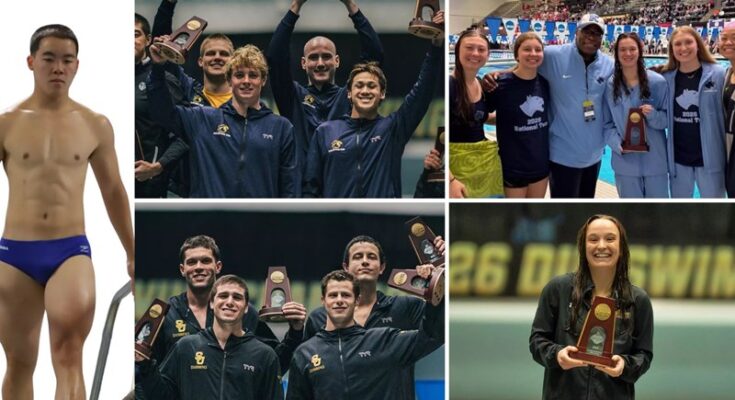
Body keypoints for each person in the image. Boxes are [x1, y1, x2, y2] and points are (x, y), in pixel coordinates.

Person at [0, 24, 134, 399]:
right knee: (19, 361)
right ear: (31, 62)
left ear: (77, 65)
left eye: (67, 60)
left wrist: (133, 251)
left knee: (69, 356)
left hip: (69, 253)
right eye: (49, 58)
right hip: (14, 254)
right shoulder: (6, 124)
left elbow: (113, 190)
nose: (58, 67)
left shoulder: (95, 125)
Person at [303, 11, 444, 198]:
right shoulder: (325, 132)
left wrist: (436, 45)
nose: (365, 91)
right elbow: (311, 189)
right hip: (338, 216)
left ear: (382, 93)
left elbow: (422, 92)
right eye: (359, 85)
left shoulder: (392, 129)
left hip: (383, 215)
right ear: (349, 93)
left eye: (372, 86)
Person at [484, 14, 614, 198]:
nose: (591, 37)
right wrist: (499, 74)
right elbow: (528, 63)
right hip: (562, 155)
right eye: (586, 31)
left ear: (602, 38)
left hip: (594, 155)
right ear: (576, 32)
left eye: (596, 33)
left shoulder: (609, 64)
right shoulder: (553, 55)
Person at [148, 40, 299, 197]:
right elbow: (162, 113)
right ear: (229, 80)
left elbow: (289, 186)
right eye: (239, 75)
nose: (246, 81)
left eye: (253, 75)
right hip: (210, 213)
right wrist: (158, 68)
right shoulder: (203, 119)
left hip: (260, 213)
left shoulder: (281, 128)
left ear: (263, 80)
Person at [302, 234, 445, 400]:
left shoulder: (406, 307)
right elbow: (307, 372)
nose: (365, 261)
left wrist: (439, 280)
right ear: (346, 267)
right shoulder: (319, 318)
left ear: (382, 267)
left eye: (371, 257)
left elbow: (437, 333)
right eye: (358, 257)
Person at [529, 215, 653, 400]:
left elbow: (644, 355)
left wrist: (624, 365)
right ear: (583, 247)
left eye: (610, 239)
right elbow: (537, 341)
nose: (601, 246)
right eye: (593, 239)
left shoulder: (638, 300)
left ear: (621, 248)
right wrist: (557, 355)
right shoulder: (558, 289)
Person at [267, 0, 384, 172]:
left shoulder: (349, 97)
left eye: (326, 57)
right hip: (303, 186)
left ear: (337, 61)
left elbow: (375, 56)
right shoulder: (292, 98)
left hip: (341, 184)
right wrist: (296, 6)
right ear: (304, 63)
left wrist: (350, 5)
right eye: (313, 57)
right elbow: (275, 58)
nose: (320, 63)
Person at [137, 275, 283, 400]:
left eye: (237, 297)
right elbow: (162, 396)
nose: (229, 302)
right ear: (212, 303)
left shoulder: (264, 355)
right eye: (223, 296)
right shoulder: (185, 347)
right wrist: (145, 364)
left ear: (246, 308)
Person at [660, 26, 726, 198]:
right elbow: (663, 116)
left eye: (688, 42)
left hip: (711, 159)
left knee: (714, 209)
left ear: (698, 44)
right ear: (672, 49)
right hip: (678, 159)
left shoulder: (718, 74)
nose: (683, 48)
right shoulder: (666, 78)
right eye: (677, 44)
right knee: (680, 208)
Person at [602, 33, 669, 198]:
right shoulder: (610, 86)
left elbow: (667, 120)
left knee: (658, 210)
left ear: (640, 51)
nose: (628, 53)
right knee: (631, 210)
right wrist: (618, 144)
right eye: (623, 49)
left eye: (632, 49)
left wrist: (653, 115)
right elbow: (606, 124)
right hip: (625, 164)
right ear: (616, 53)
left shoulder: (658, 82)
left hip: (655, 161)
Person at [485, 32, 551, 198]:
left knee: (534, 212)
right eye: (527, 49)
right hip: (512, 166)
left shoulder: (545, 84)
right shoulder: (499, 84)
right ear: (516, 55)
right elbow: (480, 115)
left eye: (538, 50)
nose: (533, 54)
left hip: (540, 165)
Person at [134, 12, 189, 198]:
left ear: (148, 39)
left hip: (151, 187)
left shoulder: (161, 78)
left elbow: (186, 132)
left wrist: (158, 166)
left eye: (135, 34)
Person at [448, 27, 503, 198]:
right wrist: (450, 181)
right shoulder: (450, 85)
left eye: (481, 49)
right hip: (456, 169)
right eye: (469, 48)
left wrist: (516, 116)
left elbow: (480, 118)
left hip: (484, 164)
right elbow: (438, 139)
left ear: (488, 55)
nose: (475, 53)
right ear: (457, 50)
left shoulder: (480, 83)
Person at [717, 21, 735, 197]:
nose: (728, 42)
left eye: (734, 38)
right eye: (724, 38)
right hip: (730, 151)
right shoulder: (727, 73)